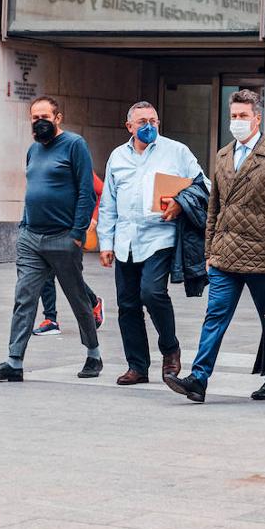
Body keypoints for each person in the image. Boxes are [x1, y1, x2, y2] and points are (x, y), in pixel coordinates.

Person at [163, 89, 265, 404]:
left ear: (257, 118)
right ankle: (199, 379)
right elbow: (214, 208)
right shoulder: (223, 155)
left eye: (243, 116)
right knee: (214, 315)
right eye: (234, 116)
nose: (237, 122)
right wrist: (209, 251)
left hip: (263, 255)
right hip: (225, 254)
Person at [0, 96, 103, 382]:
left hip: (63, 237)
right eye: (35, 117)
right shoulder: (33, 150)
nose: (40, 122)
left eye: (45, 116)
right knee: (24, 298)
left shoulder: (74, 145)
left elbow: (86, 191)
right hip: (31, 237)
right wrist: (24, 225)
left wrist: (77, 233)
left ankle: (93, 354)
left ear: (58, 118)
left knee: (76, 298)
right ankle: (14, 362)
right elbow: (32, 189)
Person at [98, 101, 207, 385]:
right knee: (127, 304)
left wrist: (181, 203)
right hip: (125, 239)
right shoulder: (117, 157)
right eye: (142, 121)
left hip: (160, 235)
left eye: (154, 121)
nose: (149, 126)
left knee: (152, 292)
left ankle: (170, 349)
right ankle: (137, 365)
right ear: (130, 126)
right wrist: (105, 242)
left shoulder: (176, 151)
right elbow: (108, 202)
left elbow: (203, 185)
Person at [34, 169, 105, 335]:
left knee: (69, 274)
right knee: (46, 272)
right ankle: (50, 319)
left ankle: (94, 301)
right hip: (47, 226)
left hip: (72, 230)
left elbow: (102, 192)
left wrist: (93, 218)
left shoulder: (77, 165)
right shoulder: (44, 162)